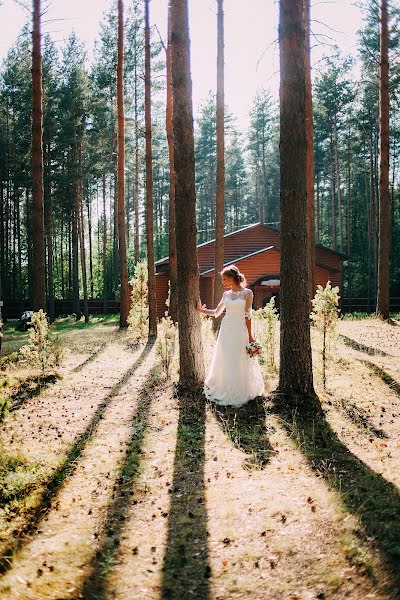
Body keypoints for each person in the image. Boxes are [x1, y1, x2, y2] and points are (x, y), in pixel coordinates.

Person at [196, 265, 265, 407]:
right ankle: (224, 386)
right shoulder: (226, 295)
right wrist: (201, 310)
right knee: (226, 356)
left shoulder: (248, 293)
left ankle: (241, 388)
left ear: (232, 278)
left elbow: (248, 315)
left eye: (224, 279)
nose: (223, 282)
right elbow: (216, 312)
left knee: (239, 357)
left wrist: (250, 336)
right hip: (226, 329)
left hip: (240, 329)